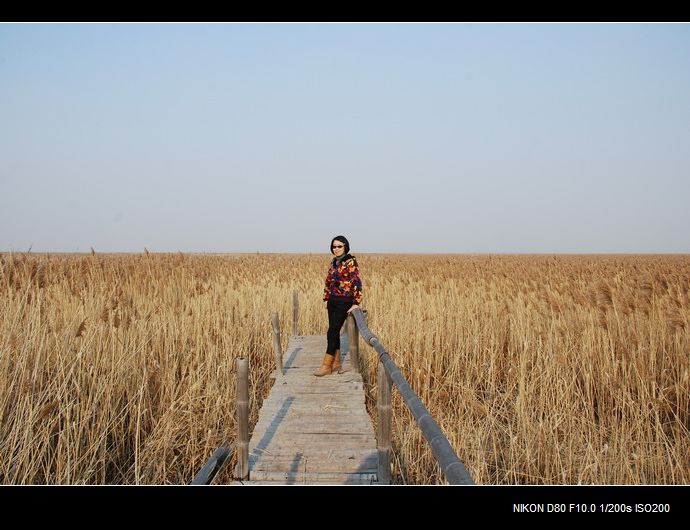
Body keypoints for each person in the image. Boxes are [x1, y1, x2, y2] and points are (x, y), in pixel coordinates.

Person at [314, 235, 363, 377]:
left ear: (345, 246)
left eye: (339, 246)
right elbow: (328, 281)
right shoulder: (334, 262)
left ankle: (326, 365)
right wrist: (326, 298)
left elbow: (357, 282)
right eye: (334, 246)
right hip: (333, 301)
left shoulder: (350, 262)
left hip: (344, 301)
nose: (336, 249)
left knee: (332, 331)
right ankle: (336, 363)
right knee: (333, 331)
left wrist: (356, 303)